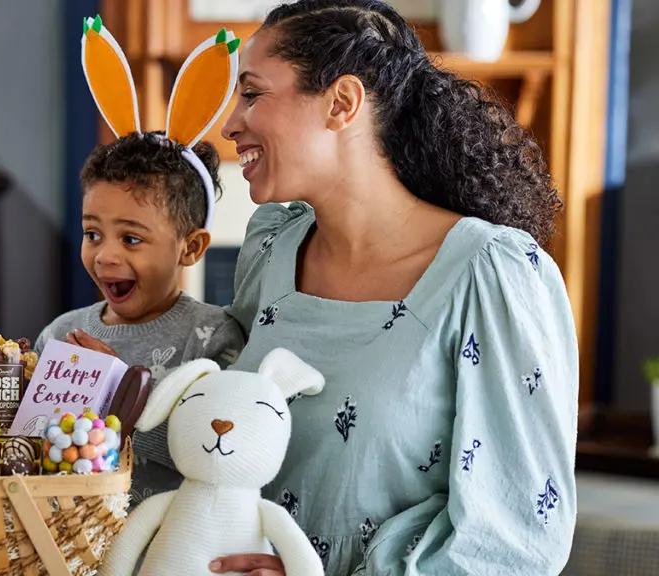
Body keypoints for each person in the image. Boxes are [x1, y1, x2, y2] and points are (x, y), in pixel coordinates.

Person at [207, 1, 578, 575]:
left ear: (342, 102)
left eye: (252, 94)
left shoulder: (489, 274)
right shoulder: (271, 247)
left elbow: (517, 540)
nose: (231, 123)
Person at [35, 132, 245, 504]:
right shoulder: (61, 334)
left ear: (190, 247)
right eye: (93, 234)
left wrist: (121, 395)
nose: (104, 256)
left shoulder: (213, 339)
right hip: (71, 550)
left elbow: (221, 457)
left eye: (131, 239)